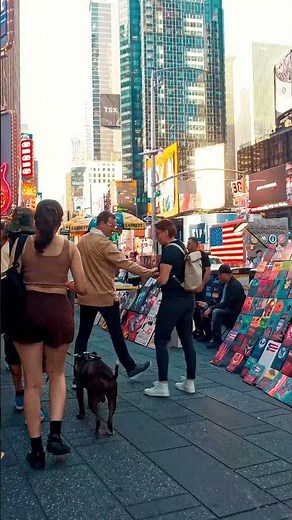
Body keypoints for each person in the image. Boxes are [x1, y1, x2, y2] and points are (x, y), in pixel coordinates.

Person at [11, 200, 87, 470]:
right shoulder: (70, 248)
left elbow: (11, 277)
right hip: (58, 312)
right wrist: (64, 283)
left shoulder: (22, 245)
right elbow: (83, 287)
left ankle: (36, 450)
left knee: (32, 384)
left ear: (36, 219)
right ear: (59, 222)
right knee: (57, 376)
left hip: (27, 312)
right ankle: (55, 434)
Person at [73, 211, 158, 387]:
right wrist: (148, 272)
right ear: (101, 223)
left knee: (83, 334)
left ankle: (77, 375)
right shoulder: (104, 243)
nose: (114, 229)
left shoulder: (82, 242)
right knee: (116, 334)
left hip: (86, 295)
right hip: (105, 295)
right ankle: (130, 367)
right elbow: (125, 263)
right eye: (111, 226)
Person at [144, 219, 197, 397]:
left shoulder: (168, 251)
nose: (157, 237)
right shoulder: (182, 247)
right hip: (188, 299)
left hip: (172, 301)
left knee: (160, 340)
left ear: (167, 232)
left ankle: (162, 384)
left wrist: (156, 280)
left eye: (158, 233)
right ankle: (190, 382)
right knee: (187, 340)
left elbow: (164, 280)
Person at [2, 209, 40, 413]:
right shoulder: (33, 243)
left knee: (12, 349)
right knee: (31, 352)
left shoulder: (7, 243)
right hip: (30, 301)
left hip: (10, 303)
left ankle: (19, 393)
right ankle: (30, 400)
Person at [198, 264, 246, 349]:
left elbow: (226, 303)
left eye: (220, 275)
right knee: (204, 308)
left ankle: (217, 339)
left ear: (227, 275)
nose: (218, 277)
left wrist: (211, 308)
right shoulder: (223, 284)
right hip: (225, 308)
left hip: (233, 312)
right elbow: (219, 300)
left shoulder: (234, 286)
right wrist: (207, 304)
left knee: (217, 312)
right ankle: (208, 335)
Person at [187, 237, 211, 338]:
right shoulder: (188, 256)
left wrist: (202, 284)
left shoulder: (203, 255)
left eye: (189, 244)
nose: (187, 246)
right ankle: (198, 329)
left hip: (199, 286)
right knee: (193, 309)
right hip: (190, 286)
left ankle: (207, 331)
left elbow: (207, 270)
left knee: (201, 307)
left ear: (195, 244)